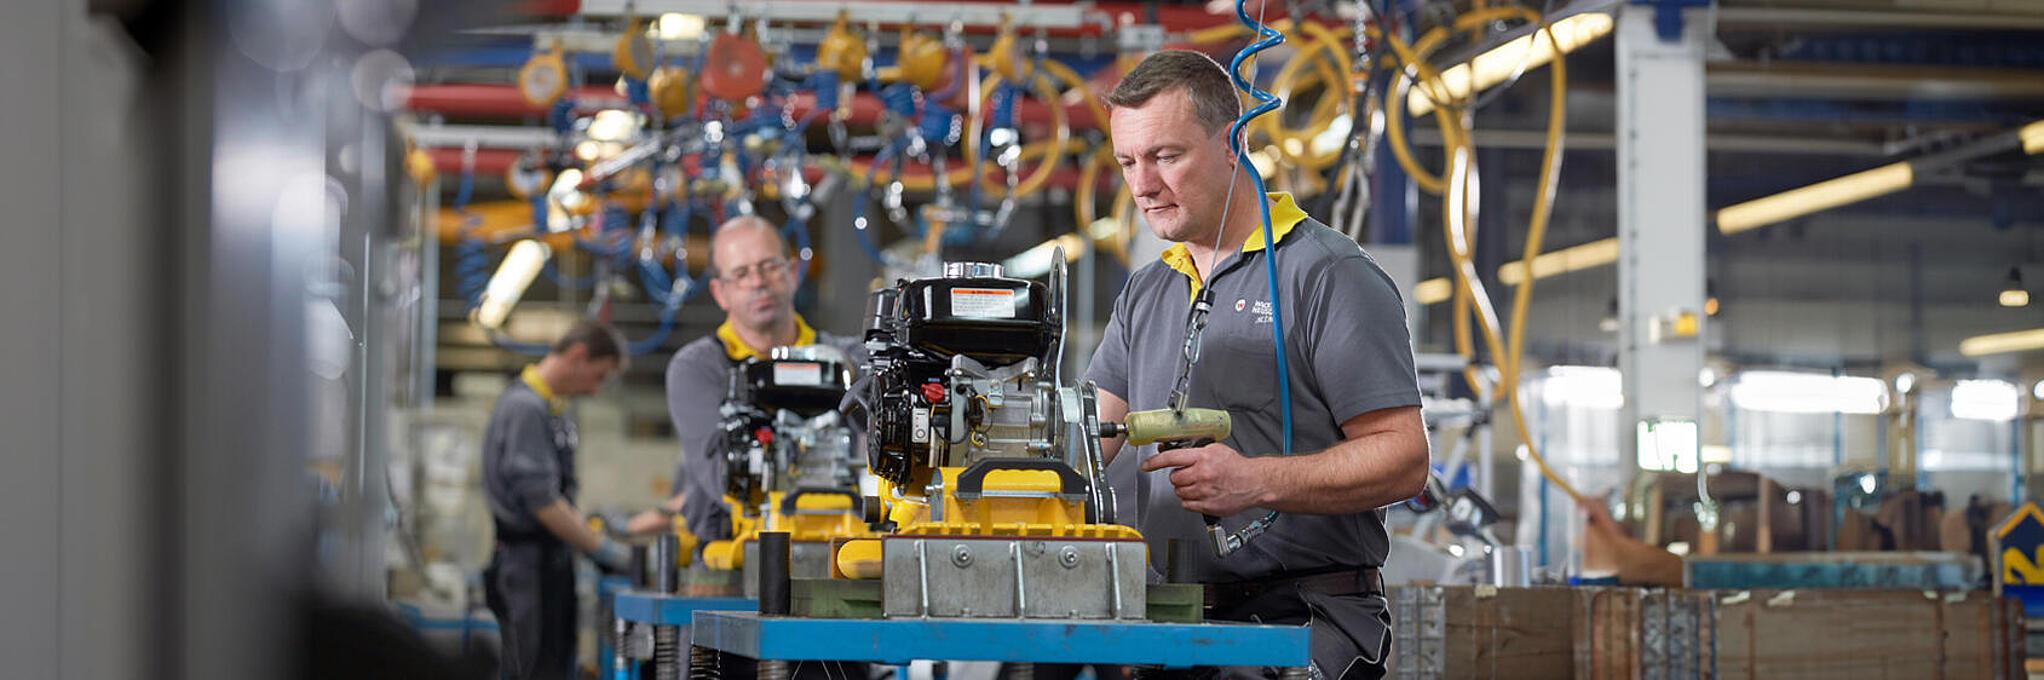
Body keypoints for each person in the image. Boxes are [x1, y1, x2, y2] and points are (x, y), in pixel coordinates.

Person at [1089, 50, 1431, 680]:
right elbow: (1086, 439)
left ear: (1234, 142)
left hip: (1301, 620)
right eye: (1128, 162)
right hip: (1173, 617)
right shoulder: (1148, 290)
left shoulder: (1327, 275)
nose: (1143, 186)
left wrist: (1255, 481)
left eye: (1166, 156)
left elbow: (1404, 459)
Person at [628, 215, 861, 547]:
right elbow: (720, 477)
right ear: (720, 293)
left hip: (842, 547)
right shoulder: (698, 367)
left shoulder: (848, 358)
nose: (758, 282)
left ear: (793, 272)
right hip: (730, 557)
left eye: (769, 266)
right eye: (740, 274)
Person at [481, 320, 635, 680]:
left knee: (553, 666)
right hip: (525, 566)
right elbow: (543, 502)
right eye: (598, 377)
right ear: (578, 356)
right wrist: (603, 549)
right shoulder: (525, 408)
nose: (596, 391)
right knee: (531, 668)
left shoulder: (553, 410)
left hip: (549, 564)